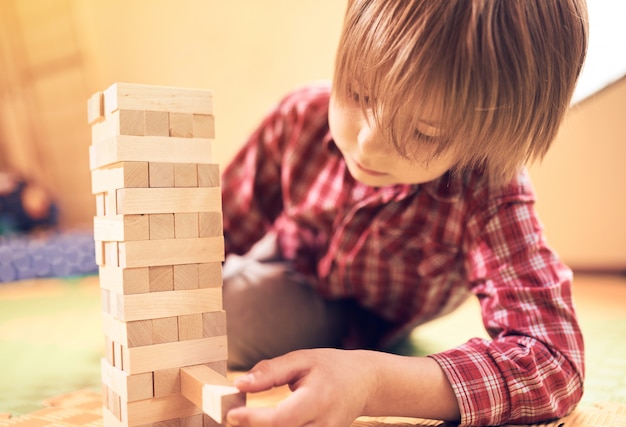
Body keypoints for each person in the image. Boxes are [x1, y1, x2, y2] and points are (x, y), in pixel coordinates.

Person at [220, 1, 588, 426]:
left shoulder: (487, 188)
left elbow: (555, 361)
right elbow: (219, 228)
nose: (367, 143)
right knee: (201, 294)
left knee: (237, 315)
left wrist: (374, 382)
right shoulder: (300, 117)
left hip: (372, 317)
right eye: (358, 95)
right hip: (292, 254)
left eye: (424, 132)